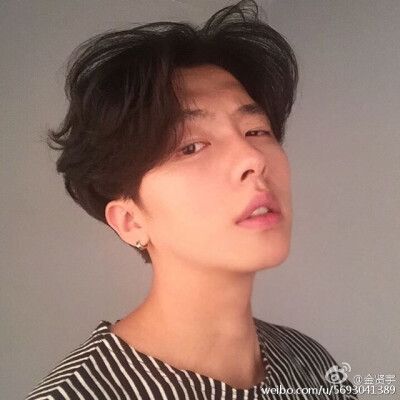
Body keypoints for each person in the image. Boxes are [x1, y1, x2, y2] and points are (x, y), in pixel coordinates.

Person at [25, 1, 358, 399]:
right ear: (130, 221)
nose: (253, 159)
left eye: (256, 131)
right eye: (191, 146)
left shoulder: (311, 364)